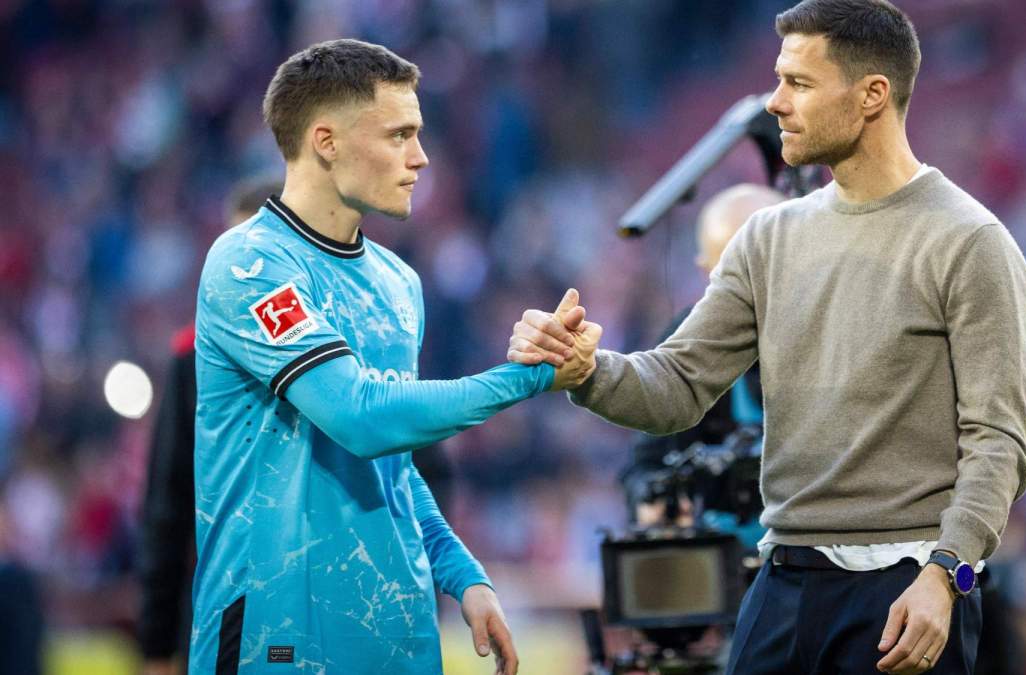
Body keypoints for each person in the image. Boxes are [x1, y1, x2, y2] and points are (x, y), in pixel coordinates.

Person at [507, 2, 1026, 673]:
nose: (777, 103)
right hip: (782, 582)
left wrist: (947, 574)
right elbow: (677, 385)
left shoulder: (971, 242)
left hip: (907, 588)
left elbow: (998, 441)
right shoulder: (768, 237)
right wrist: (587, 369)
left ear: (873, 95)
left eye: (800, 83)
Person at [189, 39, 590, 675]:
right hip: (279, 634)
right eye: (399, 135)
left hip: (397, 637)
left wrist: (461, 572)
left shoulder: (398, 283)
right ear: (326, 142)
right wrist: (528, 378)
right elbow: (360, 416)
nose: (421, 156)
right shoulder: (249, 264)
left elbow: (394, 469)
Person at [137, 178, 280, 675]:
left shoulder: (337, 356)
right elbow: (168, 503)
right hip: (217, 611)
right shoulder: (193, 357)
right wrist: (157, 644)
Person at [624, 184, 783, 529]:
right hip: (732, 545)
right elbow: (647, 465)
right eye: (733, 272)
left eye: (768, 263)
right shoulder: (688, 338)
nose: (755, 285)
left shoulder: (838, 323)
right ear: (705, 271)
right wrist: (652, 501)